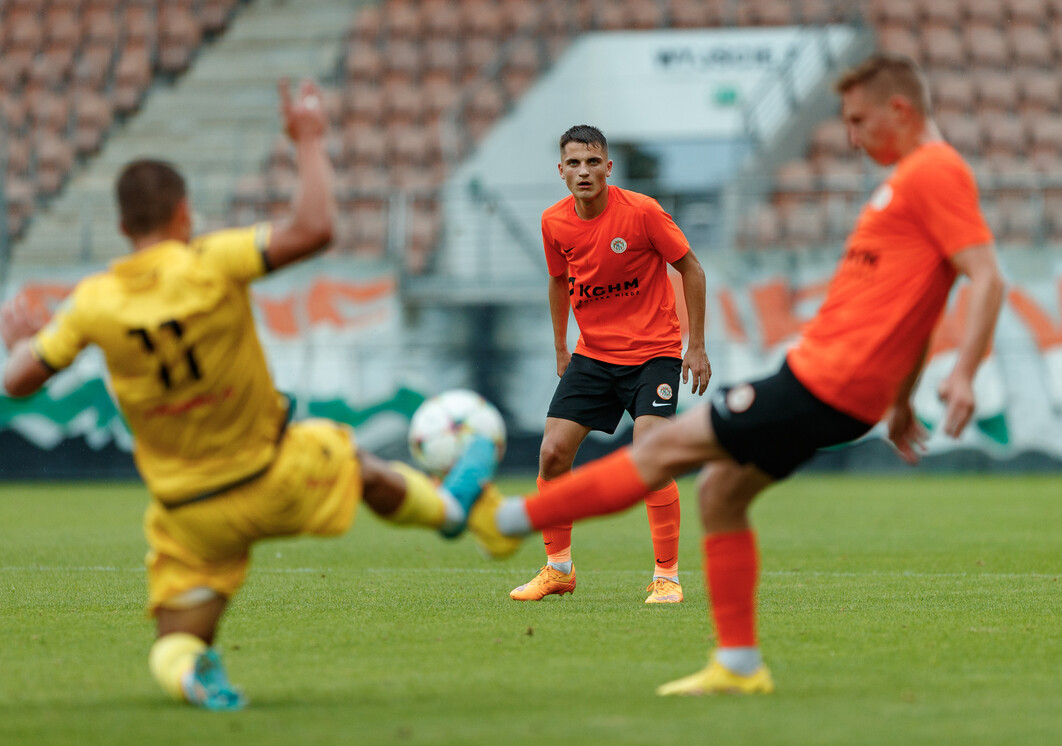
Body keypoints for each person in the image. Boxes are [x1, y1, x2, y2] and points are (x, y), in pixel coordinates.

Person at [475, 53, 1006, 693]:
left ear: (900, 110)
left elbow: (986, 277)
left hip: (822, 379)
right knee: (721, 493)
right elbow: (920, 303)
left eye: (859, 120)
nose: (852, 136)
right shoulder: (909, 183)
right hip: (841, 385)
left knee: (665, 447)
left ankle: (505, 523)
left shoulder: (934, 171)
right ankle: (738, 665)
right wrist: (901, 398)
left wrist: (967, 373)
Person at [0, 78, 503, 711]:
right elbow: (315, 228)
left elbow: (17, 383)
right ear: (185, 213)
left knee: (174, 643)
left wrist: (28, 339)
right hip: (274, 473)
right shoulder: (212, 258)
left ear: (124, 226)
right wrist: (310, 138)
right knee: (351, 460)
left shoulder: (92, 303)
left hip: (189, 511)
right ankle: (452, 512)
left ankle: (193, 674)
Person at [509, 125, 711, 604]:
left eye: (593, 162)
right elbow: (559, 282)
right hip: (594, 354)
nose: (584, 172)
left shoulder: (642, 213)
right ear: (561, 172)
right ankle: (558, 568)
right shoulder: (553, 222)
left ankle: (667, 577)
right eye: (574, 164)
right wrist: (561, 346)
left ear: (608, 168)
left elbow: (692, 269)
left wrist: (696, 345)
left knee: (650, 456)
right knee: (552, 454)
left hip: (654, 353)